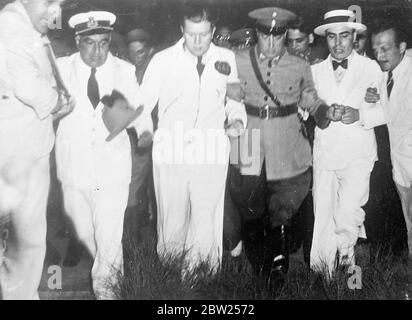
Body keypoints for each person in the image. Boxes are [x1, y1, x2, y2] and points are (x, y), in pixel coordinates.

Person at [136, 3, 246, 275]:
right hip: (171, 146)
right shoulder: (162, 60)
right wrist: (144, 131)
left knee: (206, 214)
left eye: (205, 34)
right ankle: (172, 274)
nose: (198, 41)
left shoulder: (227, 58)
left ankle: (201, 277)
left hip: (211, 146)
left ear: (213, 31)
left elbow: (235, 101)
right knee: (173, 218)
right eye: (191, 34)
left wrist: (236, 119)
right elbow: (141, 106)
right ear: (181, 30)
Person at [228, 7, 330, 288]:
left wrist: (321, 111)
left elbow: (309, 94)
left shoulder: (299, 65)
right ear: (257, 33)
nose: (271, 43)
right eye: (265, 36)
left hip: (286, 140)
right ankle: (260, 262)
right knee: (249, 205)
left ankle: (278, 267)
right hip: (247, 138)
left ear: (284, 34)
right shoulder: (237, 60)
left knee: (283, 205)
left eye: (278, 36)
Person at [56, 11, 152, 299]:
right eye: (89, 43)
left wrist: (144, 132)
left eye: (103, 43)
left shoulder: (123, 71)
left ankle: (108, 293)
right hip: (74, 169)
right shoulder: (60, 68)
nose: (97, 51)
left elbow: (139, 111)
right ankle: (109, 272)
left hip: (112, 170)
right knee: (87, 234)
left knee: (109, 240)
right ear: (77, 41)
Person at [0, 0, 73, 300]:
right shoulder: (11, 27)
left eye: (60, 4)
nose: (55, 12)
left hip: (26, 147)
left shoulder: (27, 25)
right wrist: (59, 102)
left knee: (20, 243)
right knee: (25, 242)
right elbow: (29, 87)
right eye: (49, 1)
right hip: (19, 153)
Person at [310, 9, 385, 276]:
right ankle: (322, 276)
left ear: (354, 36)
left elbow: (384, 110)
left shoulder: (371, 68)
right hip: (326, 151)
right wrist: (324, 112)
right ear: (326, 39)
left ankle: (347, 265)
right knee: (323, 214)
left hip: (358, 152)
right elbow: (304, 109)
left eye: (344, 36)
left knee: (348, 212)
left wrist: (359, 114)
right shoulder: (315, 71)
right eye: (332, 37)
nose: (338, 43)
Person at [367, 20, 412, 262]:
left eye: (385, 48)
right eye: (375, 49)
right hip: (402, 168)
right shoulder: (385, 76)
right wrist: (373, 98)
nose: (379, 55)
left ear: (402, 46)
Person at [123, 28, 157, 256]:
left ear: (150, 51)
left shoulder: (158, 71)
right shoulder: (125, 73)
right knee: (133, 185)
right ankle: (133, 241)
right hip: (137, 139)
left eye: (141, 52)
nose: (137, 57)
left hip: (163, 136)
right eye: (133, 52)